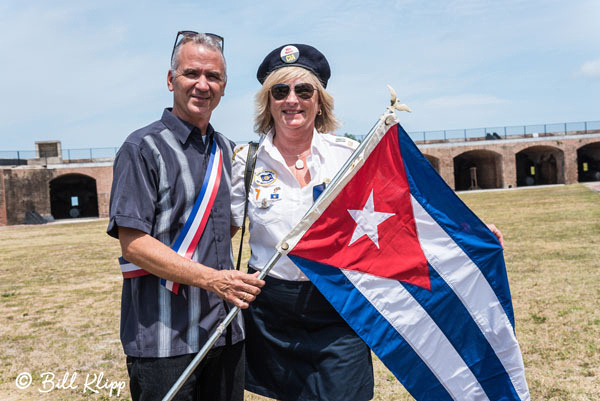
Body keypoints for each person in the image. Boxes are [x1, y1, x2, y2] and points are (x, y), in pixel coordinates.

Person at [107, 31, 264, 401]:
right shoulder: (140, 148)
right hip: (164, 340)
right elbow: (134, 245)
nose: (202, 85)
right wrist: (215, 281)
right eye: (191, 73)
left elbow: (228, 228)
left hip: (225, 332)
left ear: (224, 87)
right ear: (170, 79)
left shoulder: (230, 152)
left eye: (214, 77)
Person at [231, 44, 374, 401]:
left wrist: (468, 234)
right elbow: (222, 232)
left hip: (337, 305)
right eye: (280, 91)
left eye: (303, 90)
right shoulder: (244, 162)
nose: (291, 100)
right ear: (268, 102)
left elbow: (403, 214)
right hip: (271, 310)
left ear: (320, 100)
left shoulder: (349, 156)